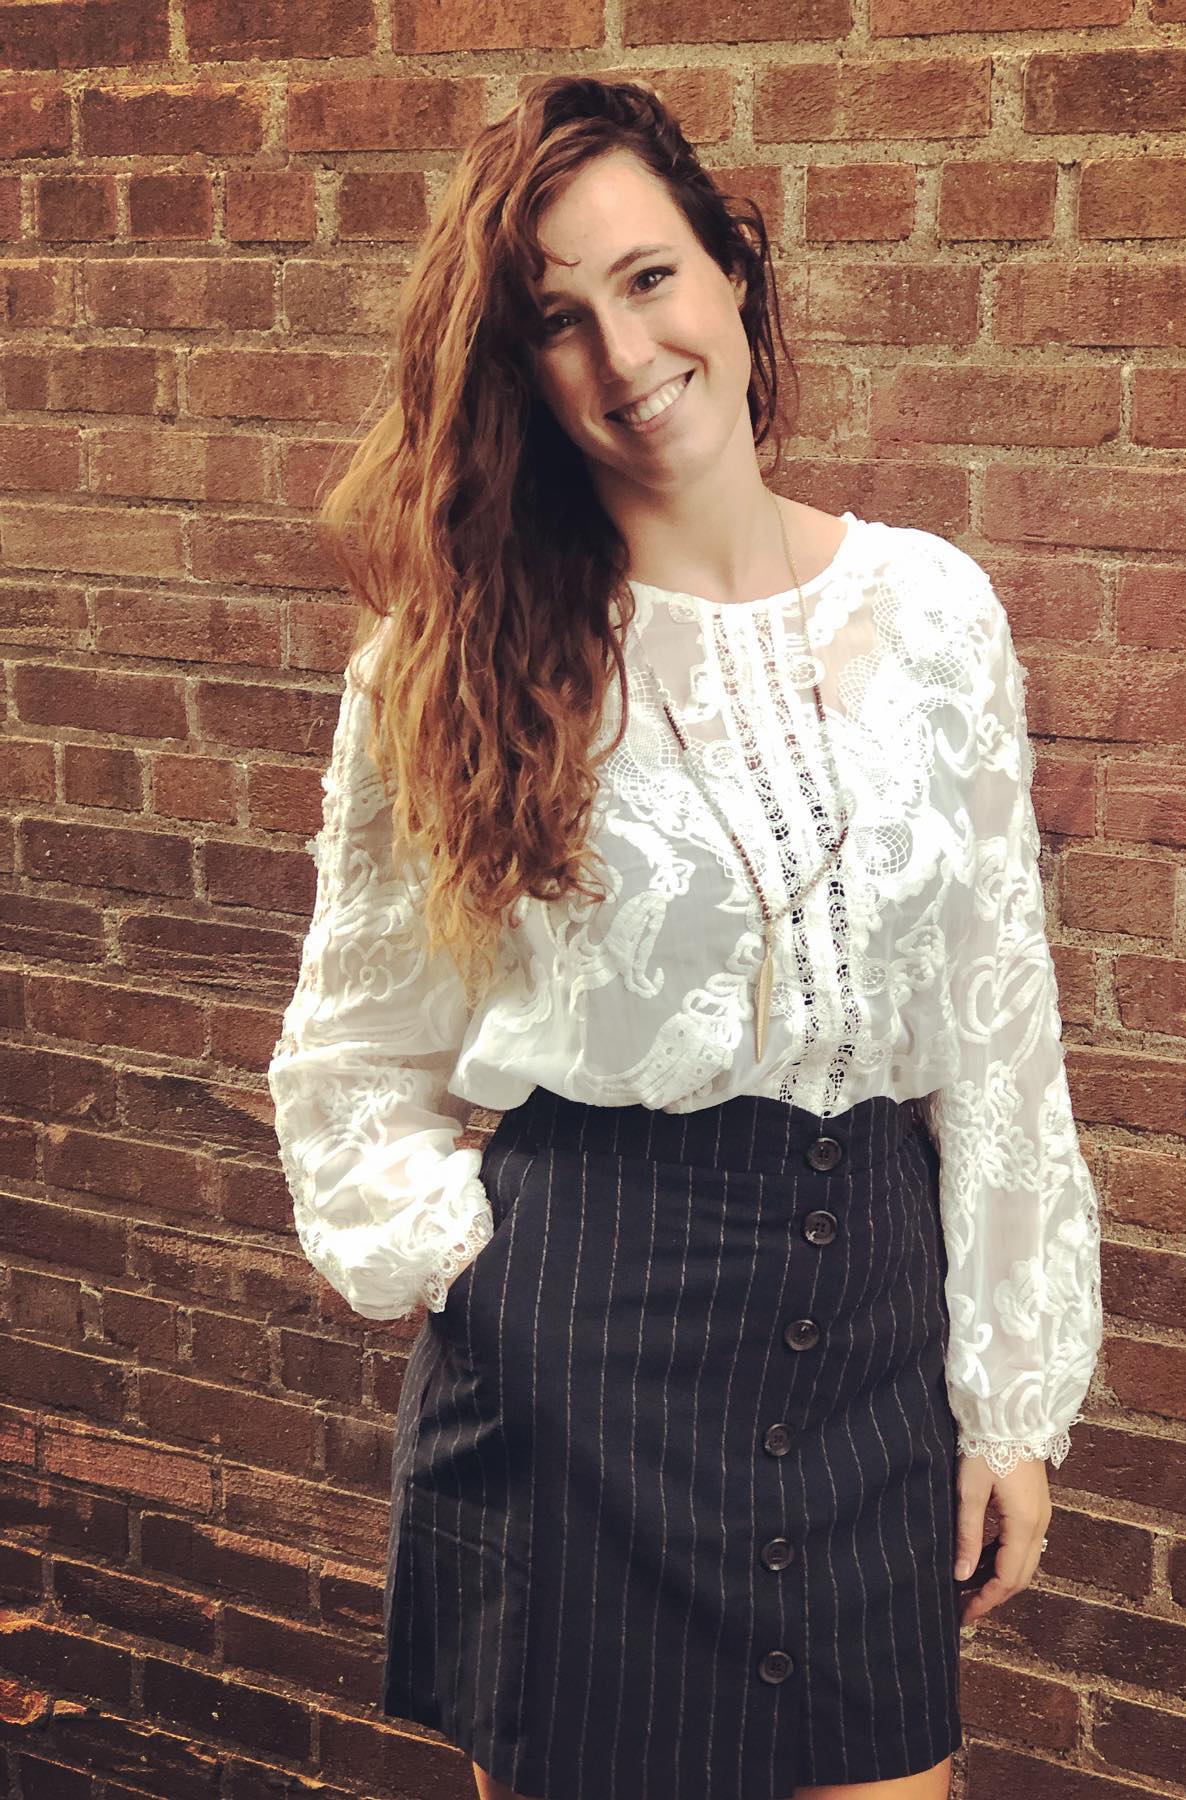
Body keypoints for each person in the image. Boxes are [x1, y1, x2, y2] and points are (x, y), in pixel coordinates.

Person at [266, 73, 1103, 1800]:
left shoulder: (935, 611)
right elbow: (354, 1050)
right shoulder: (462, 662)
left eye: (647, 278)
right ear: (517, 371)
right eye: (556, 320)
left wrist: (1009, 1394)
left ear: (734, 271)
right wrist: (484, 1274)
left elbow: (1003, 1032)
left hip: (875, 1333)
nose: (621, 351)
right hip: (588, 1354)